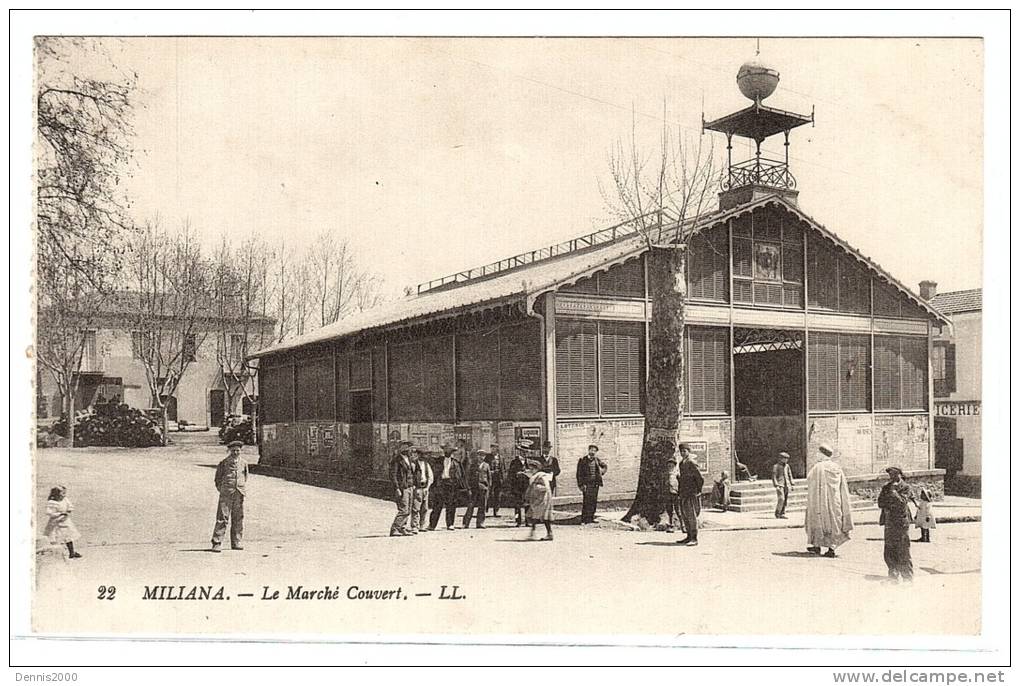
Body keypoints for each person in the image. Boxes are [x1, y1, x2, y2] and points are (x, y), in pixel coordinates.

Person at [804, 443, 854, 558]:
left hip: (820, 500)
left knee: (818, 521)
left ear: (822, 454)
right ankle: (831, 547)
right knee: (835, 522)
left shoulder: (818, 467)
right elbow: (842, 484)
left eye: (818, 453)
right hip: (835, 500)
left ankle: (817, 545)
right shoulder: (836, 467)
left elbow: (810, 479)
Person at [878, 466, 915, 581]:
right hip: (889, 521)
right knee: (889, 549)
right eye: (890, 475)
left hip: (901, 521)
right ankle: (893, 574)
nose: (892, 477)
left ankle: (907, 576)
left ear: (900, 474)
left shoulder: (906, 487)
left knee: (903, 548)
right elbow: (880, 502)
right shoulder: (886, 487)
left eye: (894, 474)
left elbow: (902, 502)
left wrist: (893, 493)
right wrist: (888, 500)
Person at [211, 440, 248, 552]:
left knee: (238, 518)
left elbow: (245, 476)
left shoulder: (244, 463)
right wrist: (223, 489)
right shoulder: (224, 463)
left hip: (239, 492)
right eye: (233, 450)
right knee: (222, 517)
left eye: (238, 450)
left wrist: (240, 487)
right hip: (227, 493)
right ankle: (217, 542)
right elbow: (218, 478)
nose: (236, 452)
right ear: (229, 451)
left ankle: (236, 541)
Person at [428, 442, 465, 531]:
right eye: (445, 449)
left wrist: (460, 487)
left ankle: (450, 524)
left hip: (451, 485)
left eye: (449, 450)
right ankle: (432, 525)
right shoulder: (438, 461)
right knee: (437, 505)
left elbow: (461, 475)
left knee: (451, 505)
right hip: (440, 485)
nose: (447, 451)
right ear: (443, 450)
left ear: (452, 452)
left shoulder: (456, 463)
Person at [676, 444, 704, 546]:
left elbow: (699, 478)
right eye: (681, 451)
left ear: (689, 451)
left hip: (691, 492)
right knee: (685, 515)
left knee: (691, 515)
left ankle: (694, 538)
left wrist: (698, 490)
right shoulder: (681, 463)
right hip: (683, 492)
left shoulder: (692, 462)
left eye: (684, 451)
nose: (683, 453)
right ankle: (688, 536)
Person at [44, 486, 82, 559]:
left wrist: (68, 511)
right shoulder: (52, 503)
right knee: (56, 537)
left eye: (65, 493)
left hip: (65, 520)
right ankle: (57, 554)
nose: (64, 495)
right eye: (63, 493)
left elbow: (70, 506)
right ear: (56, 494)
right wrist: (60, 513)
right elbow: (49, 513)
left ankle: (72, 552)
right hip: (56, 522)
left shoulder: (65, 499)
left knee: (68, 537)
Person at [576, 444, 608, 524]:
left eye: (594, 451)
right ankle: (584, 519)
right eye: (591, 450)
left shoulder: (597, 460)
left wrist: (601, 472)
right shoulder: (583, 460)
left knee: (593, 501)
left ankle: (591, 518)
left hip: (595, 484)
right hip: (586, 485)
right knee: (586, 501)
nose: (593, 452)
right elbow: (579, 474)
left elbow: (605, 466)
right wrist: (581, 485)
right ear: (588, 450)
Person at [389, 442, 415, 536]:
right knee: (403, 509)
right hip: (402, 487)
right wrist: (397, 488)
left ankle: (402, 527)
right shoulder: (397, 460)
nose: (411, 450)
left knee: (408, 508)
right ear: (404, 449)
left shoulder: (409, 459)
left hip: (410, 486)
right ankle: (395, 528)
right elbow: (393, 475)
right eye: (409, 448)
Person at [524, 460, 554, 541]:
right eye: (530, 469)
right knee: (540, 516)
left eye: (533, 469)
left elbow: (546, 487)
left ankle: (533, 533)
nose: (531, 470)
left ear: (537, 469)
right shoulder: (535, 476)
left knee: (539, 516)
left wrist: (536, 487)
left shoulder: (541, 476)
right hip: (537, 499)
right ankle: (548, 533)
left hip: (543, 499)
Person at [462, 450, 491, 529]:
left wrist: (488, 488)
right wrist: (468, 488)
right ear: (477, 456)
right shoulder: (473, 465)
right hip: (474, 488)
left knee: (482, 506)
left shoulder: (486, 465)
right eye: (479, 455)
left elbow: (489, 478)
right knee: (471, 505)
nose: (481, 457)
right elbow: (468, 477)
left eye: (483, 455)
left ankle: (480, 523)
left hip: (483, 487)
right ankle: (466, 523)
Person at [410, 449, 433, 534]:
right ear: (418, 455)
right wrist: (413, 486)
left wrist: (428, 487)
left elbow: (430, 477)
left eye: (425, 454)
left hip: (425, 487)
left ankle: (422, 525)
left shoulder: (427, 465)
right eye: (422, 454)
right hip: (417, 487)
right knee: (416, 508)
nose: (424, 456)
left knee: (425, 508)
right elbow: (411, 476)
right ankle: (414, 526)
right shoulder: (413, 464)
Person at [507, 448, 531, 526]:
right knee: (517, 505)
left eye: (526, 452)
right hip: (517, 486)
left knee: (527, 504)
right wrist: (517, 474)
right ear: (520, 452)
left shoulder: (529, 462)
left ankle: (528, 521)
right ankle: (518, 521)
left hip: (526, 486)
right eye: (523, 452)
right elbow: (510, 475)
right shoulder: (514, 462)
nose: (525, 454)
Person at [772, 451, 795, 519]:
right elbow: (774, 476)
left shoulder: (787, 466)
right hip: (780, 485)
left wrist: (792, 484)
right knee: (781, 499)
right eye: (784, 458)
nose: (786, 460)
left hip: (786, 485)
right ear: (780, 458)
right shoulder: (776, 466)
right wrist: (776, 485)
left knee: (785, 500)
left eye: (787, 459)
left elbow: (790, 475)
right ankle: (777, 513)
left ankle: (782, 513)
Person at [487, 444, 505, 518]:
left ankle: (496, 511)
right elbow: (486, 466)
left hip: (498, 478)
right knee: (489, 494)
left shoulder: (501, 457)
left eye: (494, 448)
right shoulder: (488, 457)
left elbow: (503, 468)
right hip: (490, 478)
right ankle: (486, 508)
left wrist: (503, 477)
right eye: (492, 448)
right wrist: (490, 472)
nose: (493, 450)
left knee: (498, 495)